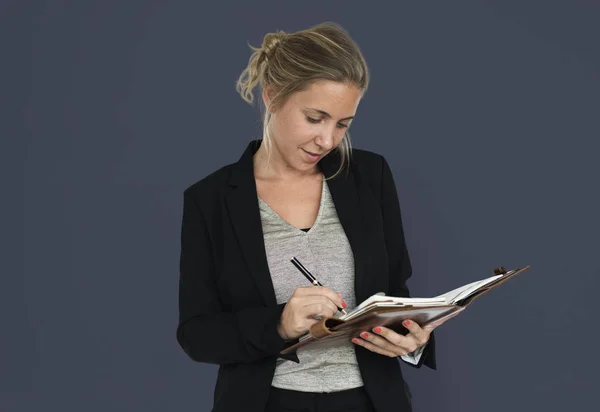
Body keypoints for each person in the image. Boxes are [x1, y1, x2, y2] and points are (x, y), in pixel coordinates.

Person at [177, 22, 455, 412]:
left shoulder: (370, 177)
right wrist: (280, 324)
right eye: (314, 118)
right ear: (272, 97)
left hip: (370, 402)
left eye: (342, 124)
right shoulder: (210, 199)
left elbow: (396, 292)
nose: (327, 140)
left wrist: (414, 340)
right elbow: (197, 334)